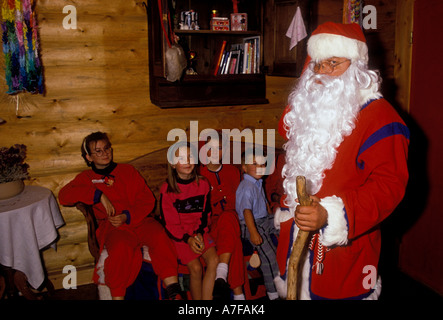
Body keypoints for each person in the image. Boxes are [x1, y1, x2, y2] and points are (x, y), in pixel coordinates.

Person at [275, 22, 410, 300]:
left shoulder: (381, 119)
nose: (322, 73)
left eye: (333, 63)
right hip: (293, 245)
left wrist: (331, 215)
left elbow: (388, 186)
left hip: (343, 256)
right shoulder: (308, 109)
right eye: (317, 64)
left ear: (357, 67)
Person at [58, 132, 183, 300]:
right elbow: (64, 196)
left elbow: (147, 200)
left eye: (107, 148)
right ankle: (117, 296)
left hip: (139, 219)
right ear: (89, 157)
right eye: (98, 151)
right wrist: (98, 195)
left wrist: (128, 215)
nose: (105, 153)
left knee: (159, 235)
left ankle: (173, 289)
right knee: (120, 248)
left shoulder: (127, 171)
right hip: (113, 226)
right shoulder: (86, 177)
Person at [160, 142, 219, 300]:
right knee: (196, 268)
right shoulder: (168, 190)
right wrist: (188, 239)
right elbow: (170, 224)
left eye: (190, 156)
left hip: (199, 230)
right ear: (172, 164)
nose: (187, 161)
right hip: (181, 236)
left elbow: (206, 213)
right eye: (181, 158)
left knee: (214, 260)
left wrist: (199, 233)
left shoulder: (203, 184)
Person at [199, 133, 245, 300]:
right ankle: (238, 293)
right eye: (211, 148)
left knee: (229, 221)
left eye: (219, 148)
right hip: (211, 226)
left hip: (232, 220)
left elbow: (240, 203)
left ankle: (222, 274)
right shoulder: (199, 174)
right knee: (233, 240)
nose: (216, 152)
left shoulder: (233, 171)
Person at [235, 148, 280, 300]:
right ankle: (273, 293)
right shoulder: (246, 187)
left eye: (262, 163)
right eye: (255, 163)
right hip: (250, 225)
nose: (260, 166)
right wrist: (254, 233)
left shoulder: (258, 182)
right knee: (269, 258)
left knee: (283, 223)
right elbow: (247, 212)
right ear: (244, 168)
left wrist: (273, 218)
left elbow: (265, 204)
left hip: (263, 220)